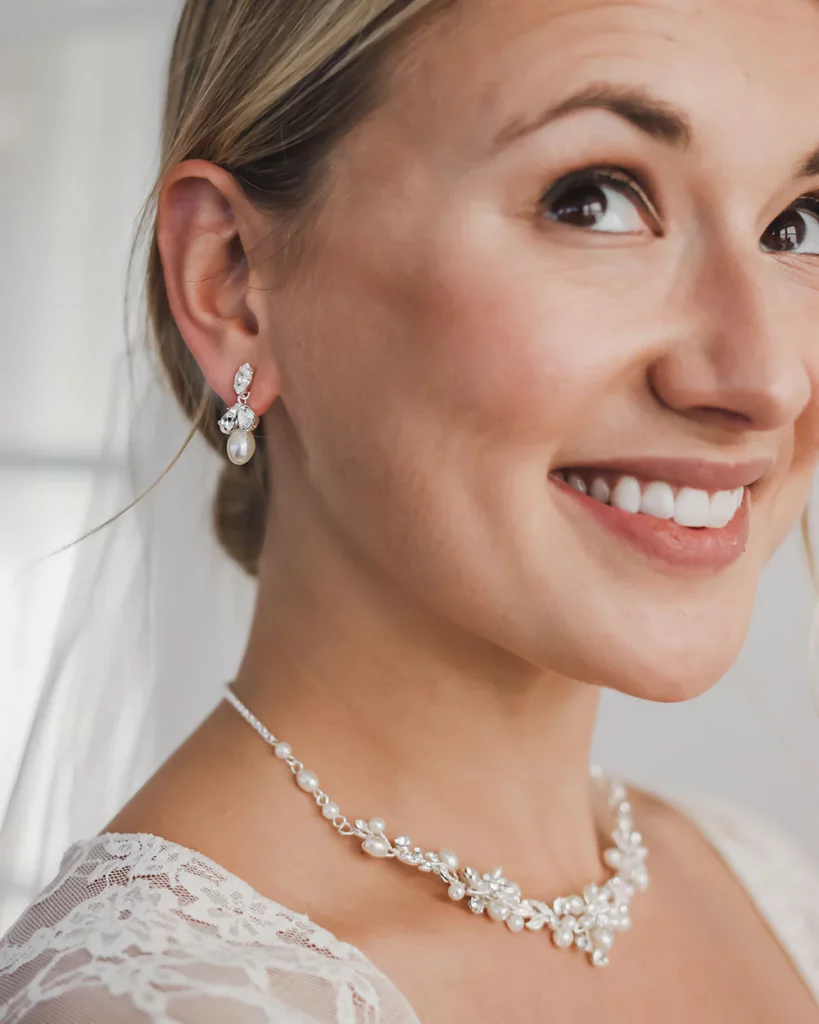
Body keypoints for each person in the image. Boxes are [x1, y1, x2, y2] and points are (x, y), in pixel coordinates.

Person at [2, 0, 819, 1019]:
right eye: (592, 200)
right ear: (233, 282)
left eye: (798, 225)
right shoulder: (169, 1003)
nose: (764, 378)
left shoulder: (770, 886)